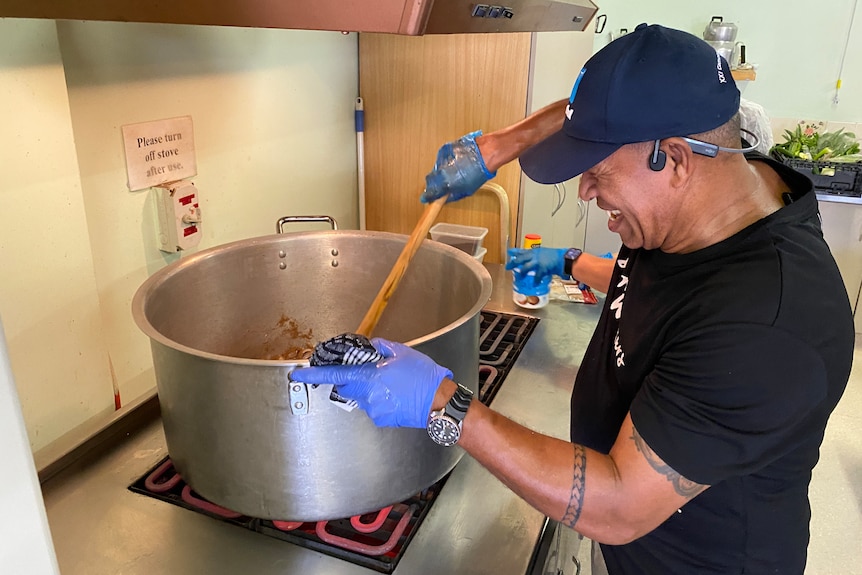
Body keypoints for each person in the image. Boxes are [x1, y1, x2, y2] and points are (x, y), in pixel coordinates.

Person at [292, 23, 854, 574]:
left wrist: (442, 403)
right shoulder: (711, 196)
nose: (585, 190)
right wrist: (498, 152)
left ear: (675, 160)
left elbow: (617, 508)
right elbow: (669, 298)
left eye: (598, 171)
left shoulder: (768, 324)